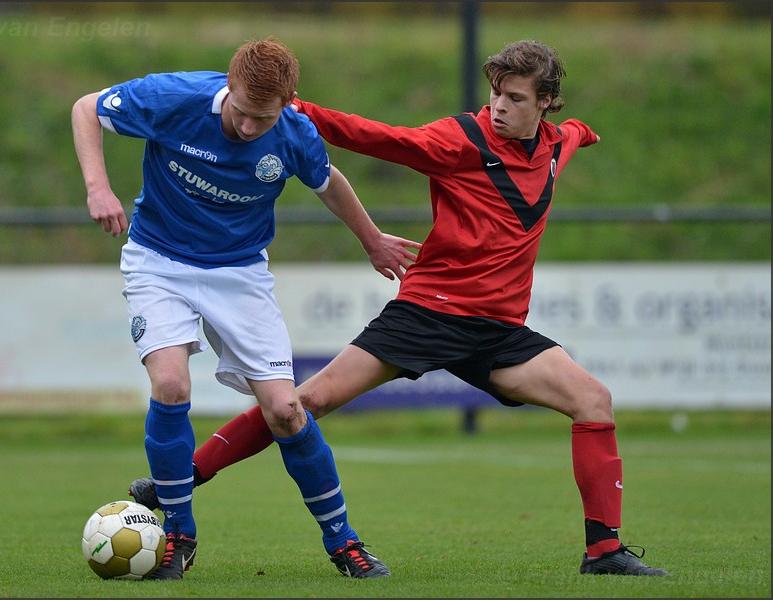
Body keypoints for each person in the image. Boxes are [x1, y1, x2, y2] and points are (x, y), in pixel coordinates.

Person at [129, 39, 670, 577]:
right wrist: (302, 110)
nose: (499, 106)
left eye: (515, 98)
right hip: (429, 313)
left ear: (547, 102)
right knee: (304, 402)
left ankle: (604, 552)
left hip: (499, 330)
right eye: (495, 93)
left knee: (594, 400)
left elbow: (576, 133)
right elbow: (383, 139)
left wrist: (586, 132)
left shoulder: (556, 143)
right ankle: (182, 478)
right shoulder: (461, 140)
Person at [72, 37, 420, 580]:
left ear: (289, 101)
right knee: (170, 386)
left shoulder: (294, 132)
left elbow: (329, 184)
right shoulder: (176, 97)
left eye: (265, 117)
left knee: (286, 411)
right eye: (242, 112)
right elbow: (87, 107)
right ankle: (179, 538)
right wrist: (98, 187)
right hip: (158, 261)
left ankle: (343, 542)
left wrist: (372, 239)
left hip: (239, 273)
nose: (251, 128)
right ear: (227, 86)